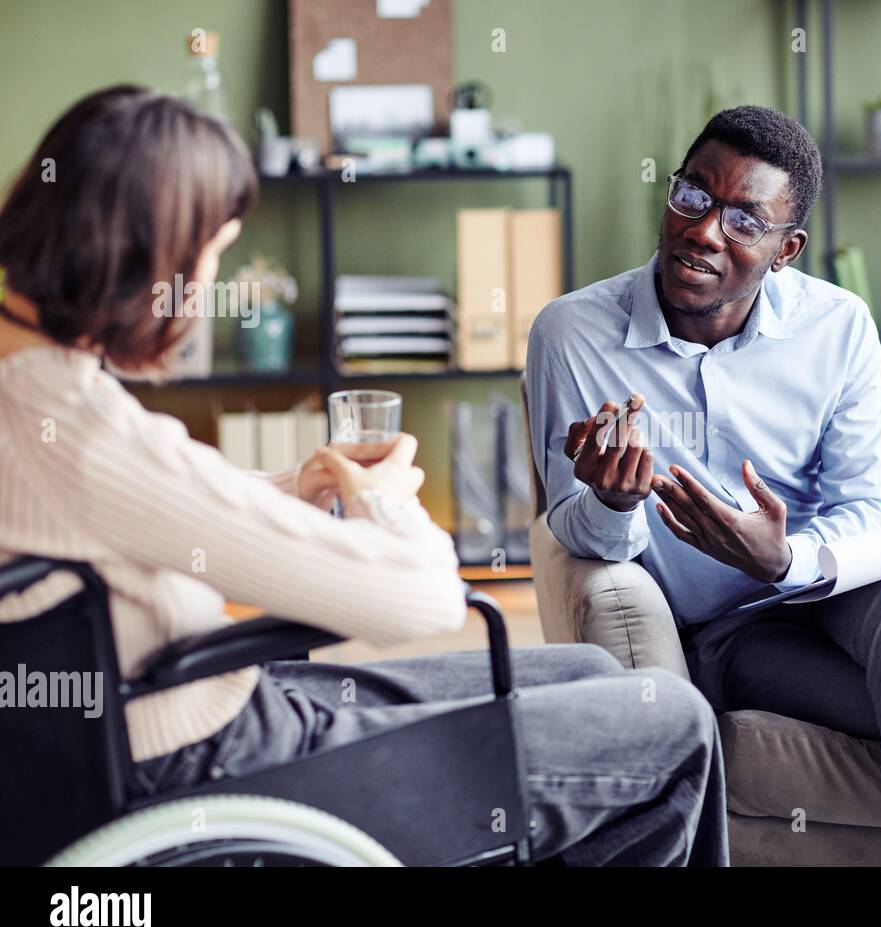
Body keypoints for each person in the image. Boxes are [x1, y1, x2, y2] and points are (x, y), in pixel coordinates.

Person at [0, 85, 727, 867]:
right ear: (148, 258)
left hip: (186, 712)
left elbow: (124, 519)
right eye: (212, 255)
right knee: (675, 724)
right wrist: (385, 502)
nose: (207, 291)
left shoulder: (32, 390)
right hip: (215, 765)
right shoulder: (79, 427)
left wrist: (291, 489)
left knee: (589, 667)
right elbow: (422, 599)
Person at [525, 104, 881, 866]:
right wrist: (614, 500)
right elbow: (569, 524)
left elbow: (870, 506)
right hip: (733, 636)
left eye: (743, 221)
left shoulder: (838, 325)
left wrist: (785, 559)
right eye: (693, 196)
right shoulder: (571, 334)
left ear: (786, 248)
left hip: (843, 593)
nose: (702, 231)